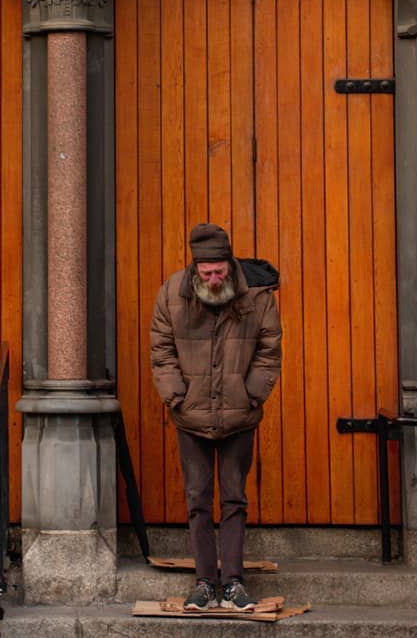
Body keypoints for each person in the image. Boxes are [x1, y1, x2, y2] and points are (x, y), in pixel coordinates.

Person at [150, 223, 281, 613]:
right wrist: (175, 396)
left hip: (240, 416)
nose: (213, 278)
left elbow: (269, 349)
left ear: (229, 263)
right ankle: (206, 583)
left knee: (235, 499)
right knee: (198, 500)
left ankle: (235, 583)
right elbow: (161, 347)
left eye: (219, 271)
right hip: (190, 416)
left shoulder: (256, 296)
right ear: (195, 267)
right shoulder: (172, 292)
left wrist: (252, 393)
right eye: (206, 273)